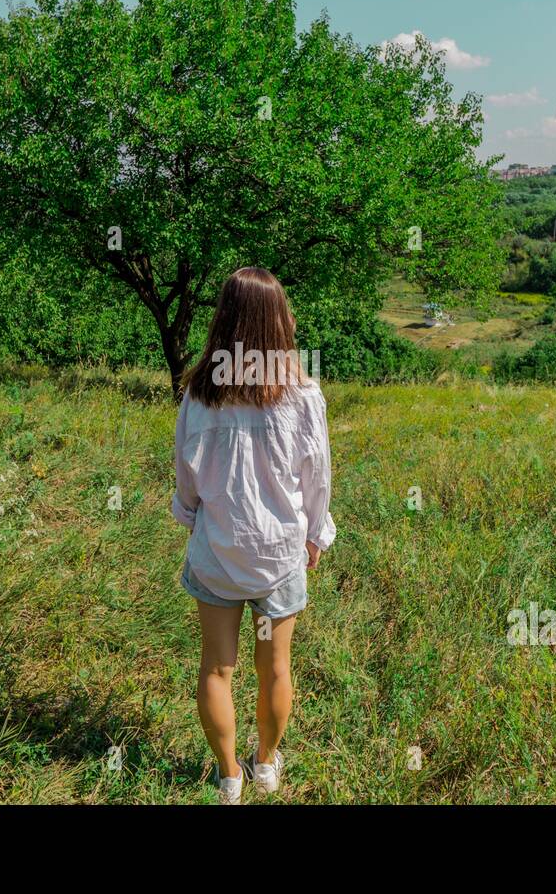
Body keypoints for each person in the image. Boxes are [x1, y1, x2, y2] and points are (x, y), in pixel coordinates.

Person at [171, 267, 336, 804]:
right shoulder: (303, 394)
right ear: (277, 321)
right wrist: (315, 534)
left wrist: (193, 516)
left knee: (217, 667)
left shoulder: (199, 394)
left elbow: (187, 477)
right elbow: (318, 476)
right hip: (278, 556)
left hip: (218, 553)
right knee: (275, 666)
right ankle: (266, 763)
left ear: (224, 321)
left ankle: (228, 776)